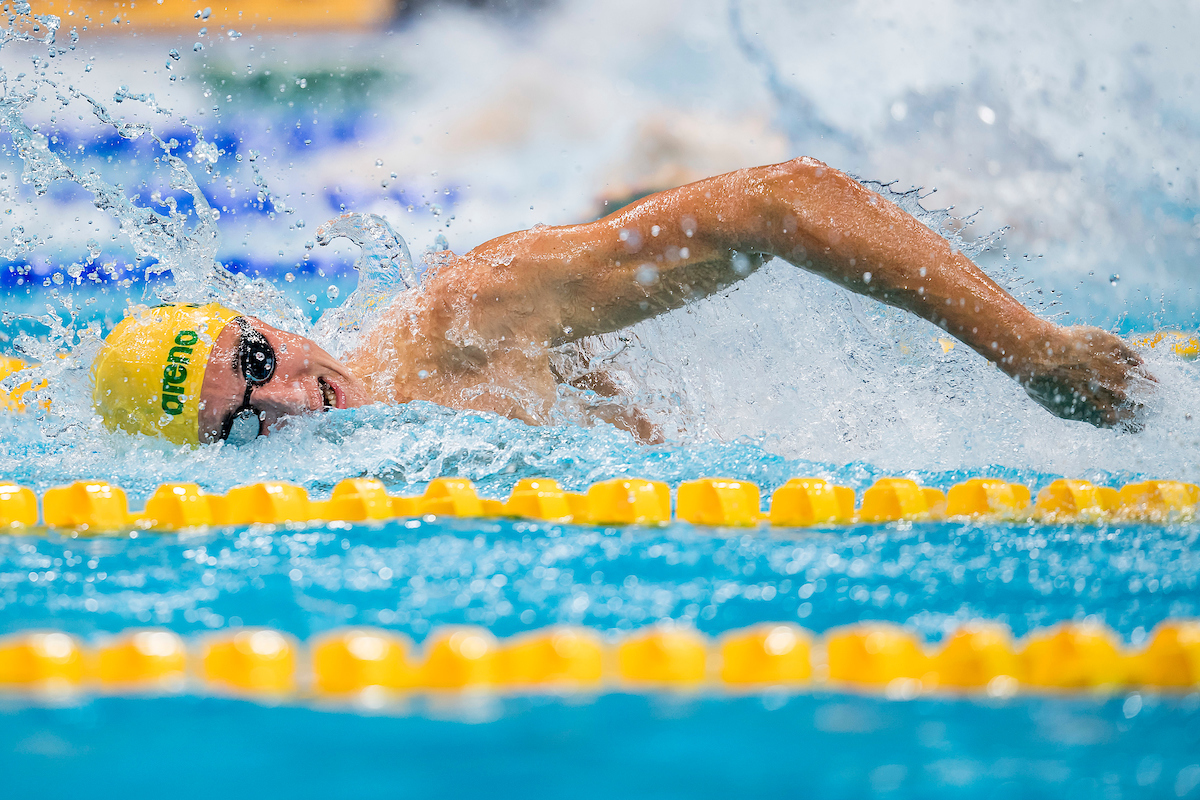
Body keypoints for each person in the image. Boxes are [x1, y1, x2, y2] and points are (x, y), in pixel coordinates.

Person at [92, 157, 1150, 447]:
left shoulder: (468, 318)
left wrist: (1035, 353)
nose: (283, 409)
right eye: (234, 428)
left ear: (270, 323)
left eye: (260, 369)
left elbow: (784, 198)